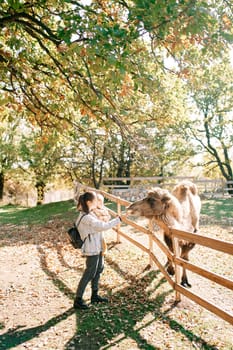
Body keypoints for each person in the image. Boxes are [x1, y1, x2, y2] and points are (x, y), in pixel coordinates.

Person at [74, 191, 121, 310]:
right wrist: (118, 219)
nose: (97, 202)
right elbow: (102, 226)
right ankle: (78, 299)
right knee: (89, 273)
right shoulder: (86, 217)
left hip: (98, 246)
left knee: (99, 269)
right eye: (95, 200)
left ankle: (94, 295)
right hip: (91, 249)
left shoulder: (90, 214)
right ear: (89, 202)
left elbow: (102, 223)